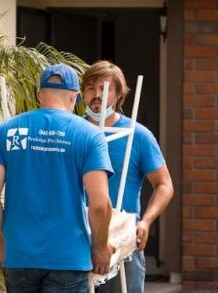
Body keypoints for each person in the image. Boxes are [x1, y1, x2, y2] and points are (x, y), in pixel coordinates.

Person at [0, 63, 116, 293]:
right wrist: (100, 247)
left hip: (19, 257)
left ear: (38, 95)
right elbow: (100, 204)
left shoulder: (6, 131)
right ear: (75, 98)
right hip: (69, 258)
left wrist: (2, 242)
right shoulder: (90, 135)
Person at [81, 61, 174, 293]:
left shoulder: (137, 135)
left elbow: (164, 185)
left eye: (105, 89)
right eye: (91, 88)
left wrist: (146, 221)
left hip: (122, 242)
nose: (97, 95)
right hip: (79, 239)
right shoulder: (73, 132)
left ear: (118, 95)